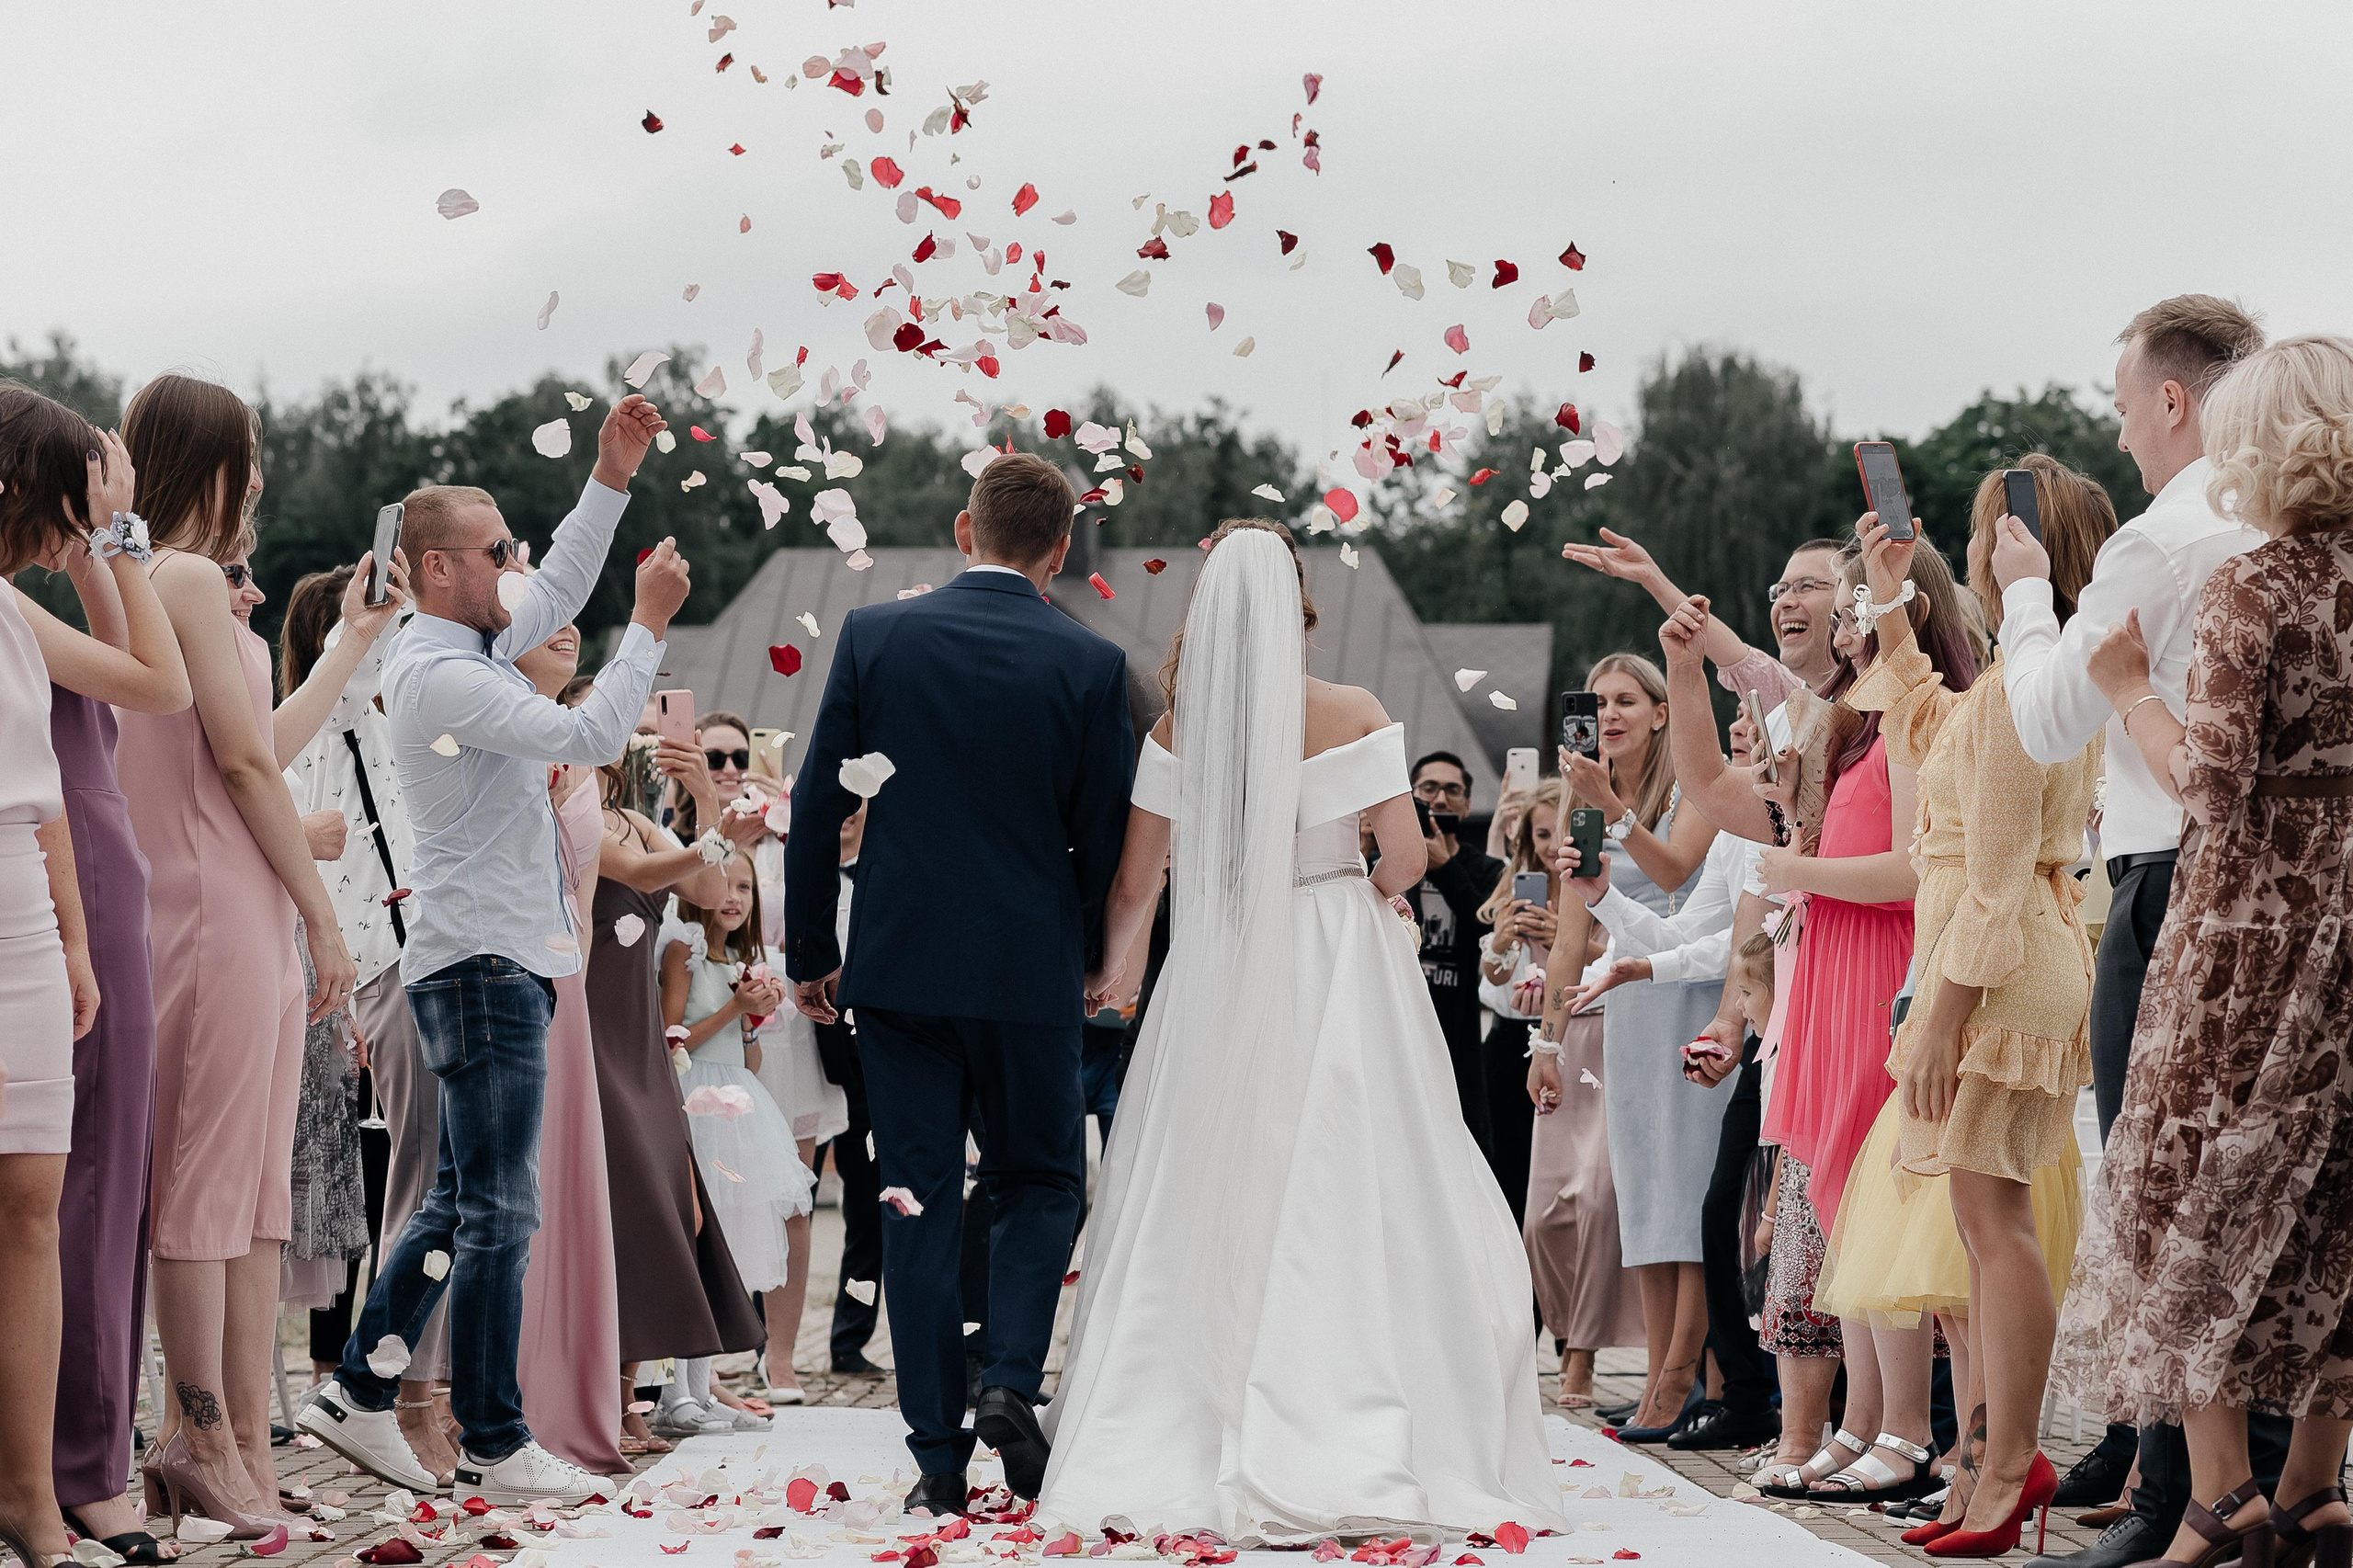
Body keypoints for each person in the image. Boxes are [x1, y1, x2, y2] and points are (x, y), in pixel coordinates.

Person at [1042, 520, 1565, 1541]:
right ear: (1296, 603)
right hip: (1335, 951)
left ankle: (1188, 1408)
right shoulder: (1352, 709)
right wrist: (1368, 890)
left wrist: (1114, 976)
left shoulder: (1176, 733)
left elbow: (1137, 884)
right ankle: (1368, 1403)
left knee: (1204, 1174)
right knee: (1354, 1170)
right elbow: (1411, 855)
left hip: (1223, 955)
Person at [299, 394, 678, 1505]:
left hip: (488, 958)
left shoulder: (467, 639)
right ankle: (496, 1437)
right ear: (432, 568)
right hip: (481, 964)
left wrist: (609, 474)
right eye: (494, 548)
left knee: (463, 1198)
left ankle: (360, 1389)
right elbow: (587, 734)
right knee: (500, 1209)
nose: (515, 561)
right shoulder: (441, 670)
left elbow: (557, 586)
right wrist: (647, 622)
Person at [783, 451, 1133, 1510]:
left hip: (899, 968)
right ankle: (1013, 1380)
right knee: (1039, 1182)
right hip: (1026, 973)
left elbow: (812, 802)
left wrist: (811, 952)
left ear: (962, 527)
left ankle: (936, 1459)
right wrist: (1080, 958)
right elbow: (1101, 838)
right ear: (1062, 548)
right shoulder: (1091, 663)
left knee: (915, 1201)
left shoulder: (874, 636)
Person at [1991, 298, 2280, 1568]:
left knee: (2157, 1183)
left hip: (2170, 877)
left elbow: (2046, 722)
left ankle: (2184, 1497)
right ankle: (2265, 1480)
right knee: (2263, 1187)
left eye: (2123, 409)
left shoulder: (2165, 538)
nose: (2123, 439)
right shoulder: (2296, 525)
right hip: (2295, 889)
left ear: (2175, 400)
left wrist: (2019, 601)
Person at [2086, 335, 2353, 1568]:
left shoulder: (2260, 585)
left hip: (2249, 929)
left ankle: (2223, 1490)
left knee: (2180, 1184)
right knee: (2331, 1199)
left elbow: (2211, 781)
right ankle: (2317, 1485)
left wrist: (2135, 685)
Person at [1837, 459, 2111, 1553]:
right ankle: (1985, 1460)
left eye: (1992, 531)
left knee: (1994, 1230)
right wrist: (1892, 591)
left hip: (1992, 968)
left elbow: (1993, 880)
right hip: (1990, 958)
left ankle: (2007, 1465)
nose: (1984, 544)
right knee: (1979, 1223)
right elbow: (1917, 713)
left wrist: (1938, 1019)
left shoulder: (2017, 692)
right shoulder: (2024, 682)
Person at [113, 375, 356, 1536]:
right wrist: (321, 908)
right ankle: (197, 1431)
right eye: (247, 454)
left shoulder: (154, 584)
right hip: (212, 909)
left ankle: (244, 1445)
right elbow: (252, 775)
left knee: (253, 1199)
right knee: (209, 1196)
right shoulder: (187, 576)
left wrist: (348, 646)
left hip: (228, 904)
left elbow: (253, 742)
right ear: (207, 458)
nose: (256, 477)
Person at [2, 398, 192, 1566]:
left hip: (23, 911)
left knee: (32, 1201)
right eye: (75, 497)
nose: (74, 522)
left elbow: (150, 687)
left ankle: (31, 1497)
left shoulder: (14, 615)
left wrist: (70, 945)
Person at [1558, 709, 1778, 1453]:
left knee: (1720, 1212)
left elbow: (1724, 931)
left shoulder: (1760, 819)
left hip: (1769, 1019)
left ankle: (1730, 1390)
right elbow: (1701, 937)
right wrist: (1605, 903)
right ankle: (1728, 1394)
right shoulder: (1735, 836)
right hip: (1693, 1007)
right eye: (1740, 722)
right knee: (1692, 1208)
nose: (1744, 730)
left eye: (1758, 722)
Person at [1541, 652, 1724, 1439]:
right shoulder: (1579, 808)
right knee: (1644, 1197)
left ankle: (1689, 1383)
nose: (1609, 715)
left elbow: (1677, 875)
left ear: (1661, 711)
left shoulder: (1699, 786)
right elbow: (1572, 931)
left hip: (1694, 994)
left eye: (1627, 700)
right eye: (1599, 701)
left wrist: (1614, 807)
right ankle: (1658, 1373)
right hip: (1629, 1014)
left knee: (1691, 1196)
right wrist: (1545, 1043)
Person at [496, 626, 630, 1478]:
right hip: (509, 972)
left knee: (566, 1186)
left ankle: (572, 1397)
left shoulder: (577, 755)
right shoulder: (493, 732)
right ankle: (503, 1396)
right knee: (510, 1186)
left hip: (567, 981)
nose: (567, 627)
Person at [711, 710, 848, 1404]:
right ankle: (714, 1350)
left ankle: (784, 1357)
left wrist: (793, 824)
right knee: (717, 1192)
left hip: (790, 1029)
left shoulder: (789, 839)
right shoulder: (688, 838)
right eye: (717, 759)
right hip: (716, 1031)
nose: (733, 769)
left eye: (741, 755)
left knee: (794, 1196)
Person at [656, 860, 818, 1430]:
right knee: (695, 1236)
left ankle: (699, 1389)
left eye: (746, 887)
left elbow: (747, 1056)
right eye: (725, 884)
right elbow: (670, 1036)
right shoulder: (685, 955)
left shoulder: (738, 964)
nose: (735, 896)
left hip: (738, 1100)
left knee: (725, 1243)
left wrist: (750, 1022)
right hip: (693, 1100)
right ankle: (677, 1390)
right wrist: (734, 1008)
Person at [1474, 777, 1564, 1229]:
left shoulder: (1596, 884)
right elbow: (1493, 975)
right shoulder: (1514, 888)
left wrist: (1563, 940)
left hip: (1571, 1038)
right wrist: (1505, 939)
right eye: (1541, 834)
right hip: (1510, 1041)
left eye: (1559, 831)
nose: (1550, 846)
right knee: (1507, 1171)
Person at [1407, 750, 1505, 1158]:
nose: (1441, 800)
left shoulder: (1489, 871)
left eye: (1452, 790)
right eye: (1429, 789)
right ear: (1410, 796)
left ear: (1466, 805)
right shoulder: (1390, 863)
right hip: (1403, 1024)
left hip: (1460, 1034)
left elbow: (1489, 930)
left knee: (1462, 1147)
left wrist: (1446, 869)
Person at [817, 803, 884, 1378]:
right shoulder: (797, 870)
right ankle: (768, 1346)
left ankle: (848, 1340)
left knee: (868, 1208)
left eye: (854, 800)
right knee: (788, 1201)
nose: (843, 812)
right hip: (799, 1058)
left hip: (868, 1060)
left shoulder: (885, 869)